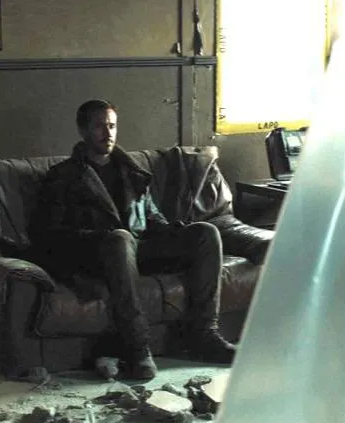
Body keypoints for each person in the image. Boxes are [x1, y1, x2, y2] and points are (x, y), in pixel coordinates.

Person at [29, 99, 236, 380]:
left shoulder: (131, 171)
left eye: (112, 126)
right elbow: (49, 236)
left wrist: (171, 230)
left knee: (205, 232)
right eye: (99, 126)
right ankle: (137, 347)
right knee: (120, 239)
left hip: (138, 248)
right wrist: (100, 237)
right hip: (97, 254)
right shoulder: (63, 177)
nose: (108, 133)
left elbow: (151, 217)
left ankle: (203, 335)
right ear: (83, 131)